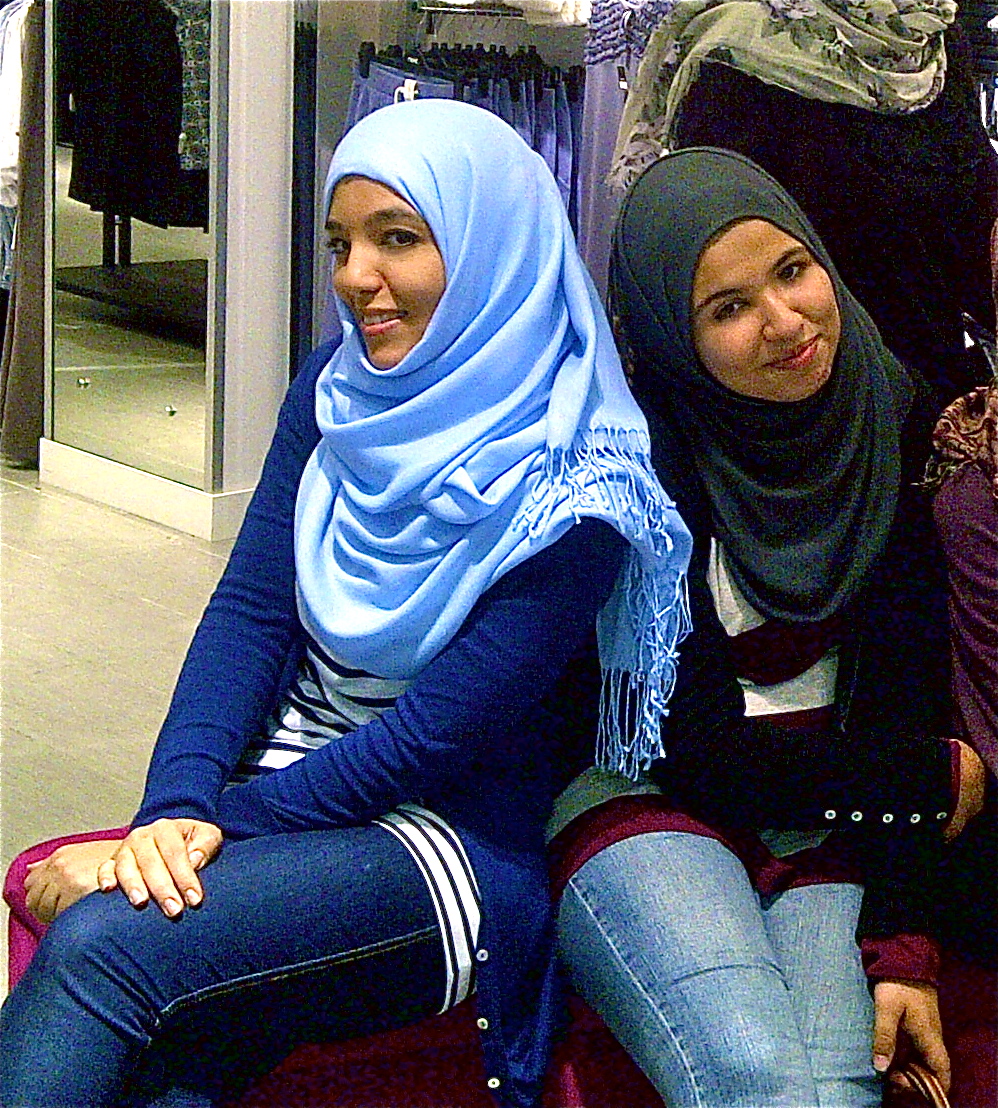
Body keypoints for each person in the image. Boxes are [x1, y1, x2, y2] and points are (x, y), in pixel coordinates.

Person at [0, 99, 693, 1108]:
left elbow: (431, 739)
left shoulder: (581, 476)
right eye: (340, 243)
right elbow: (248, 613)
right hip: (286, 779)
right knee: (165, 1071)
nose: (355, 276)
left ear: (491, 244)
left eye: (397, 239)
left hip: (441, 840)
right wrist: (172, 806)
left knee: (105, 944)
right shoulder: (339, 385)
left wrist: (194, 836)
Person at [549, 146, 987, 1108]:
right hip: (649, 801)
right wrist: (914, 780)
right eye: (729, 308)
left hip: (829, 824)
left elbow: (911, 700)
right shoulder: (636, 458)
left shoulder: (893, 413)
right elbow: (688, 749)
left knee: (836, 1084)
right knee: (750, 1070)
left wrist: (904, 944)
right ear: (674, 334)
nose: (786, 321)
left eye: (793, 270)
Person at [609, 0, 998, 405]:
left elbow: (972, 212)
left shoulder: (928, 39)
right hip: (807, 392)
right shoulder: (739, 58)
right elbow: (728, 267)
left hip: (937, 383)